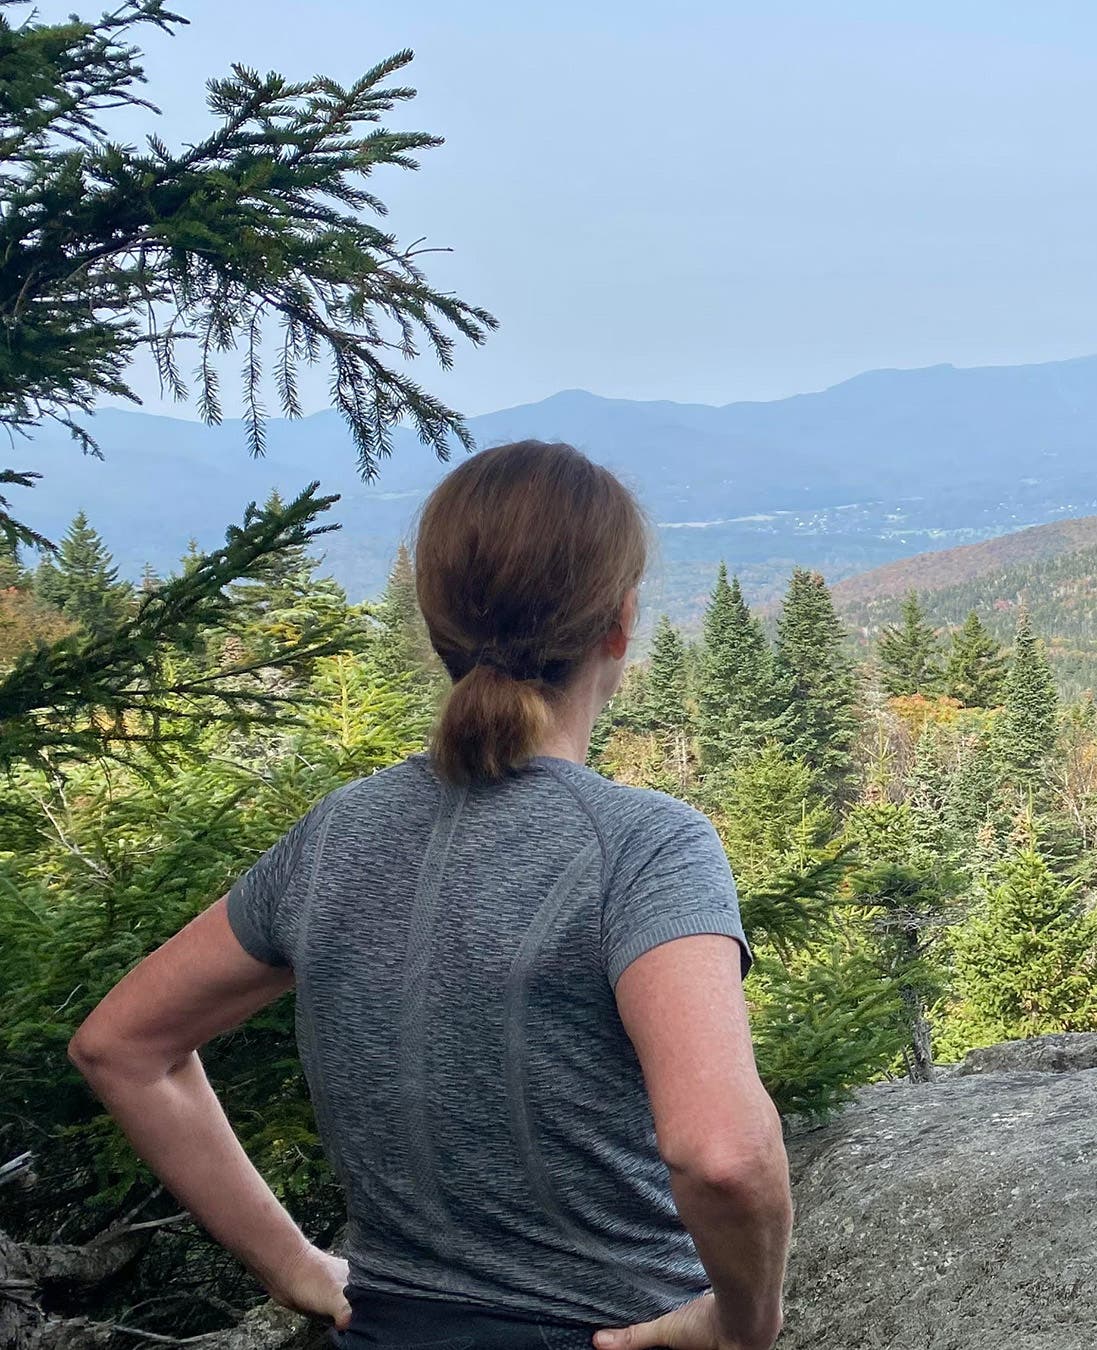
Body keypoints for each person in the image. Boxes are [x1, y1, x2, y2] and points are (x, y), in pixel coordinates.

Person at [68, 441, 792, 1350]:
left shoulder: (338, 834)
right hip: (612, 1330)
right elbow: (723, 1155)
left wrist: (293, 1264)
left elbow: (120, 1045)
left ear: (437, 624)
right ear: (620, 620)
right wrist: (742, 1324)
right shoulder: (645, 846)